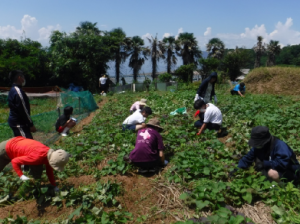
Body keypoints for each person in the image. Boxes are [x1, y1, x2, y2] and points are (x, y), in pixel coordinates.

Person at [232, 126, 300, 183]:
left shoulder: (280, 145)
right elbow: (247, 158)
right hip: (275, 169)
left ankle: (282, 187)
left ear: (266, 141)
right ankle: (269, 181)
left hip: (291, 172)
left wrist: (265, 164)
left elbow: (282, 164)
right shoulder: (258, 147)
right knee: (257, 162)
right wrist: (237, 169)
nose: (257, 145)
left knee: (271, 173)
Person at [0, 136, 71, 191]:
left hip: (16, 145)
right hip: (5, 149)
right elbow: (15, 161)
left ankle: (33, 187)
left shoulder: (48, 154)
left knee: (37, 171)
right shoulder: (37, 157)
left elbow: (49, 171)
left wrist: (54, 185)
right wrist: (21, 175)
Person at [8, 70, 36, 139]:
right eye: (23, 77)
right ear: (19, 78)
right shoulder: (18, 92)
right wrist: (30, 124)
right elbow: (23, 109)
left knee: (23, 144)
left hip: (19, 123)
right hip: (19, 124)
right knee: (27, 144)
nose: (24, 79)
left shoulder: (13, 90)